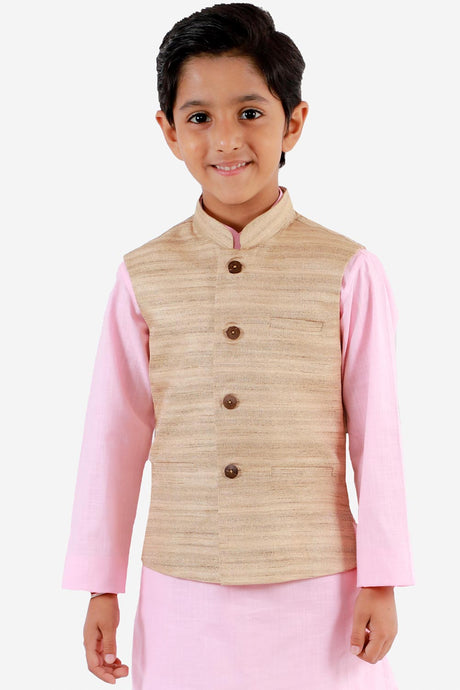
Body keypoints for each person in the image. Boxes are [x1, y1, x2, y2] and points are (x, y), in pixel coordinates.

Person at [61, 4, 415, 688]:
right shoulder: (143, 273)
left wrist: (383, 579)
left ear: (294, 122)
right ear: (169, 132)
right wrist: (101, 586)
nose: (226, 139)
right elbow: (114, 434)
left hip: (321, 587)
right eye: (199, 117)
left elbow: (380, 435)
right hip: (181, 587)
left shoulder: (348, 268)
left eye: (250, 112)